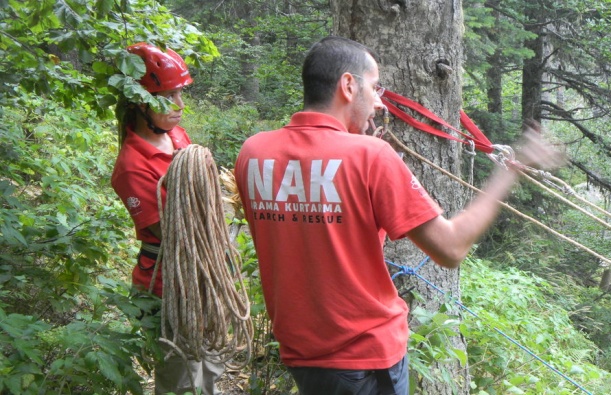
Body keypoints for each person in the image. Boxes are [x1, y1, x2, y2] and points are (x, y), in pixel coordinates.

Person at [233, 36, 563, 395]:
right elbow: (450, 249)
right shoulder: (371, 157)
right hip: (366, 357)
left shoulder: (254, 152)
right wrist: (508, 173)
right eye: (374, 88)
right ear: (347, 85)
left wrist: (362, 149)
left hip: (302, 354)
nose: (378, 101)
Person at [111, 42, 224, 395]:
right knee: (181, 380)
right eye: (167, 97)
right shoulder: (132, 167)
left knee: (210, 367)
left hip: (199, 279)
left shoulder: (175, 135)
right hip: (166, 288)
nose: (180, 106)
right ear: (139, 103)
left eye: (179, 94)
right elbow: (175, 232)